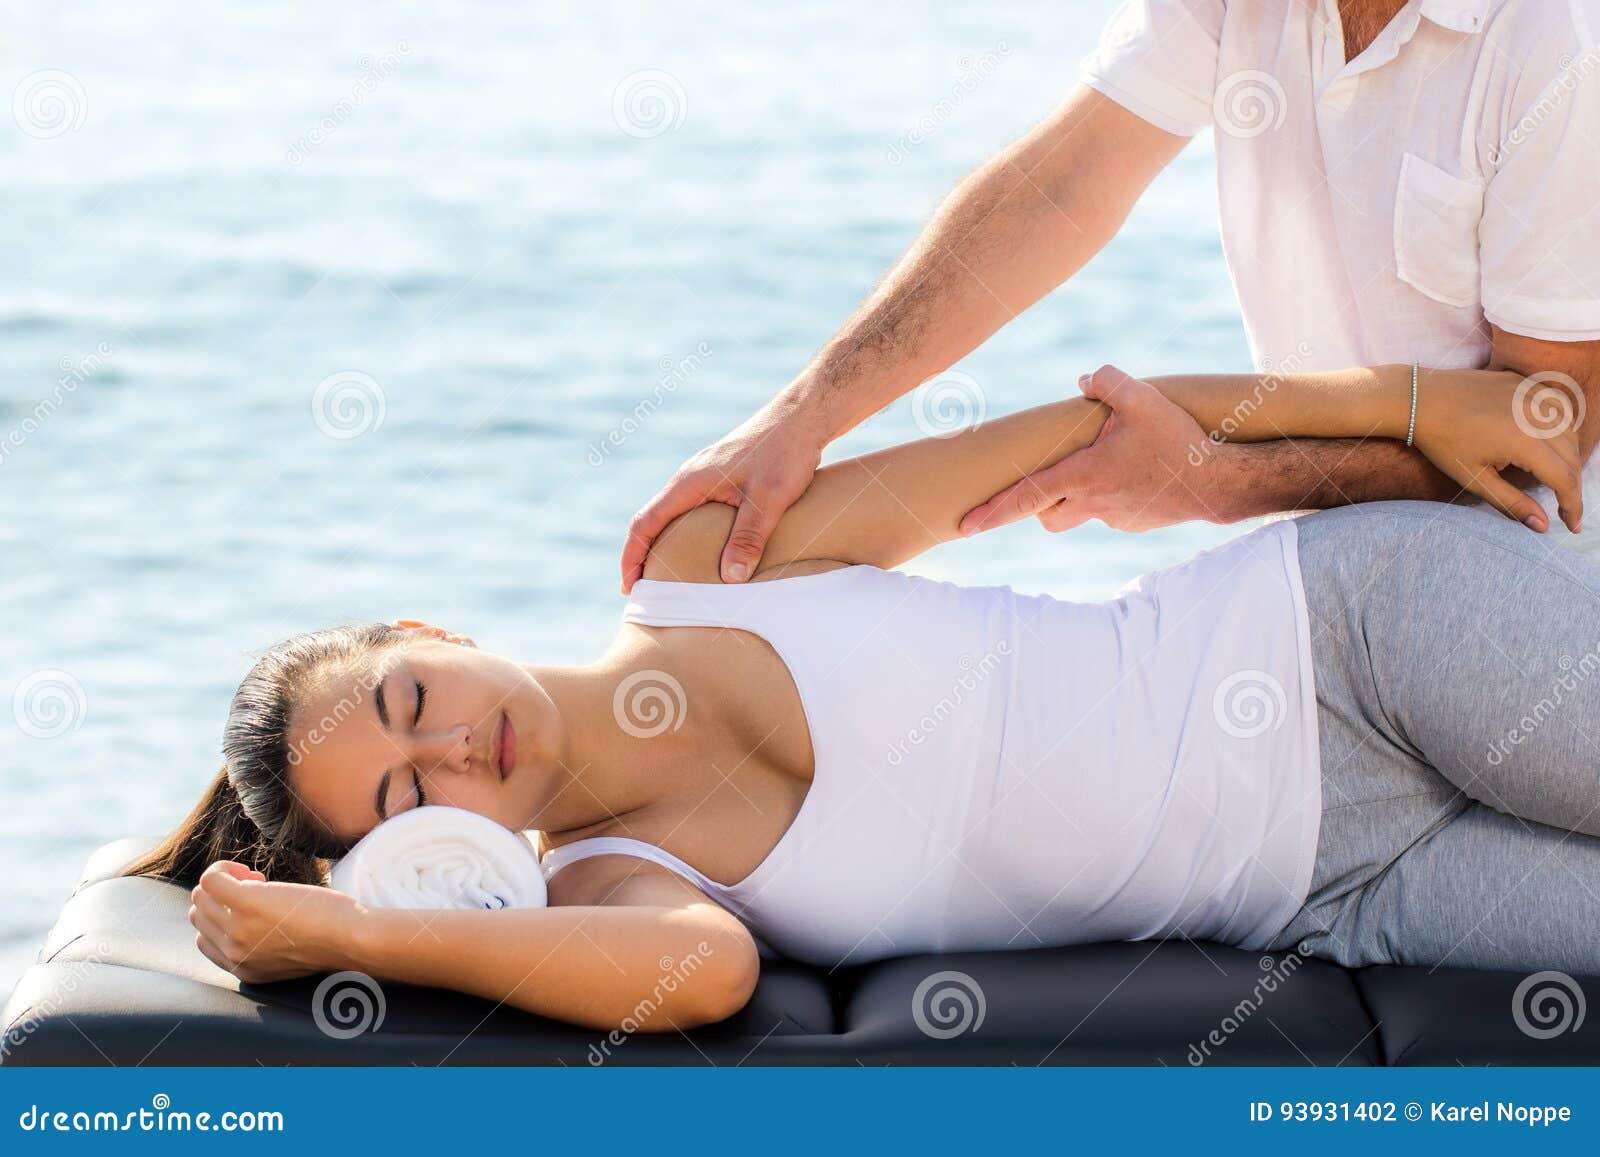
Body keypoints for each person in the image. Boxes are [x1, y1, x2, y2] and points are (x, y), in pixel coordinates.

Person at [130, 367, 1600, 1033]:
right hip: (1338, 893)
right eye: (407, 795)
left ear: (427, 629)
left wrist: (1407, 405)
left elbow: (1086, 430)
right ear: (407, 853)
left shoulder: (711, 563)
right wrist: (358, 928)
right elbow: (699, 979)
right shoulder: (619, 886)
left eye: (408, 696)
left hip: (1342, 638)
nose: (452, 742)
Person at [619, 0, 1600, 592]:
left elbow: (1549, 436)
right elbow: (1062, 185)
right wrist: (801, 418)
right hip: (1334, 575)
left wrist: (1219, 480)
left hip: (1542, 596)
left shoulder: (1555, 40)